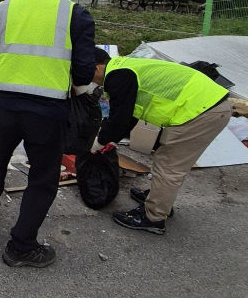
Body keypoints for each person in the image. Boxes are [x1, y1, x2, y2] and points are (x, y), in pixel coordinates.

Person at [0, 0, 96, 268]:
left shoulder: (3, 9)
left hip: (3, 105)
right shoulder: (75, 14)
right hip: (48, 111)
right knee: (42, 177)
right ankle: (21, 246)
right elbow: (83, 74)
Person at [91, 48, 231, 234]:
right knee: (166, 158)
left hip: (201, 111)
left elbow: (120, 119)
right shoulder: (123, 68)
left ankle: (153, 217)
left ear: (97, 69)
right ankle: (159, 198)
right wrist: (111, 140)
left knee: (169, 166)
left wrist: (99, 142)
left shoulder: (118, 76)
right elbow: (129, 114)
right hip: (205, 105)